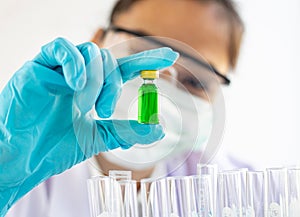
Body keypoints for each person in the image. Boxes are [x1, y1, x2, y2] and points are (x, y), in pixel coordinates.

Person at [5, 0, 245, 216]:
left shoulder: (242, 193)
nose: (163, 87)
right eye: (142, 54)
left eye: (194, 80)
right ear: (98, 40)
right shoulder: (19, 158)